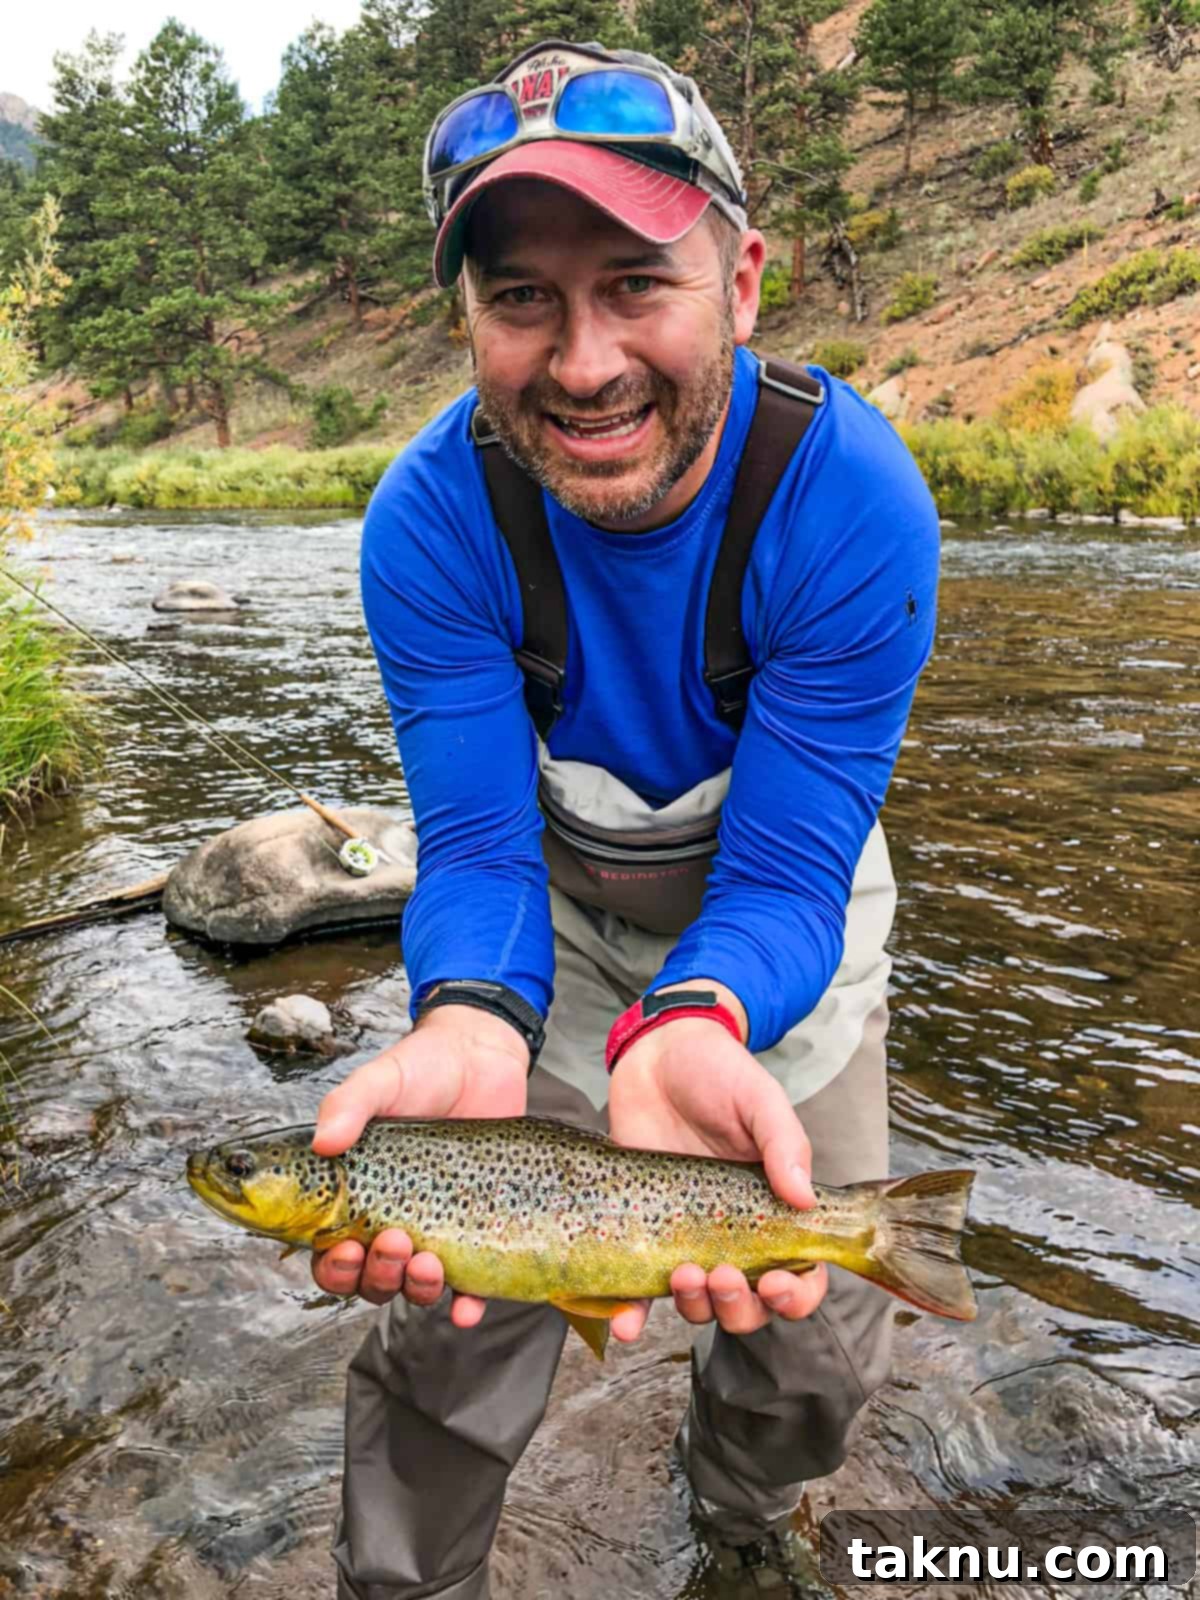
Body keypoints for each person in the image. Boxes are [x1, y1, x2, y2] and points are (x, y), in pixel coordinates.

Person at [310, 37, 940, 1600]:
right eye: (523, 296)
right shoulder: (431, 521)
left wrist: (694, 1019)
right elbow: (476, 852)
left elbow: (786, 876)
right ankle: (402, 1583)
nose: (583, 363)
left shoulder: (850, 501)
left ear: (743, 284)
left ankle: (745, 1527)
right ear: (469, 319)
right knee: (454, 1319)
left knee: (811, 1335)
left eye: (638, 282)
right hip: (549, 919)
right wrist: (468, 1013)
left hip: (782, 926)